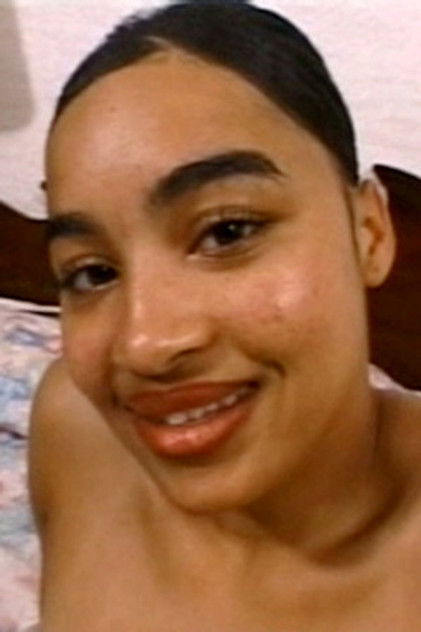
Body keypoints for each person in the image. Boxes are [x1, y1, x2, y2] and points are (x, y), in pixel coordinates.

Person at [29, 0, 421, 629]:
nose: (145, 343)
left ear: (369, 232)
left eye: (227, 231)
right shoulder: (76, 428)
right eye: (92, 273)